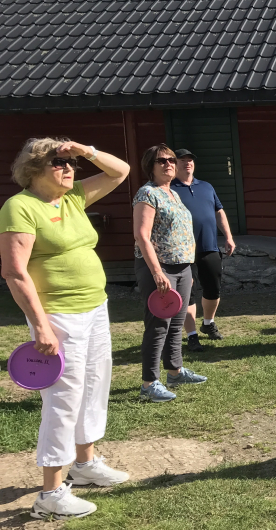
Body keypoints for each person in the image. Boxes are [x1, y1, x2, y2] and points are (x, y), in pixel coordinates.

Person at [0, 138, 131, 520]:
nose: (69, 169)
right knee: (63, 398)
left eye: (70, 163)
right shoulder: (20, 207)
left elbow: (120, 171)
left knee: (94, 383)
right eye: (59, 164)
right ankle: (51, 492)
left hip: (94, 306)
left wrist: (86, 150)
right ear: (35, 170)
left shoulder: (71, 198)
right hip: (58, 316)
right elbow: (13, 271)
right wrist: (41, 326)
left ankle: (84, 464)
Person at [133, 144, 207, 403]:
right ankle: (149, 384)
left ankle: (174, 372)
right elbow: (142, 236)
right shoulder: (147, 193)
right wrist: (157, 273)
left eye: (171, 160)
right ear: (150, 166)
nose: (168, 164)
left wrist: (187, 267)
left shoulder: (173, 193)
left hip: (182, 267)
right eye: (161, 160)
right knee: (157, 325)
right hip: (160, 268)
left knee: (177, 323)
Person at [169, 149, 236, 352]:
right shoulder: (169, 189)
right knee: (186, 293)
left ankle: (208, 323)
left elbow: (219, 211)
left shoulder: (206, 187)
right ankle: (191, 335)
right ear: (174, 165)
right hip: (182, 250)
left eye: (190, 160)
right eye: (182, 161)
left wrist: (229, 236)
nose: (187, 163)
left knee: (213, 289)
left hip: (209, 246)